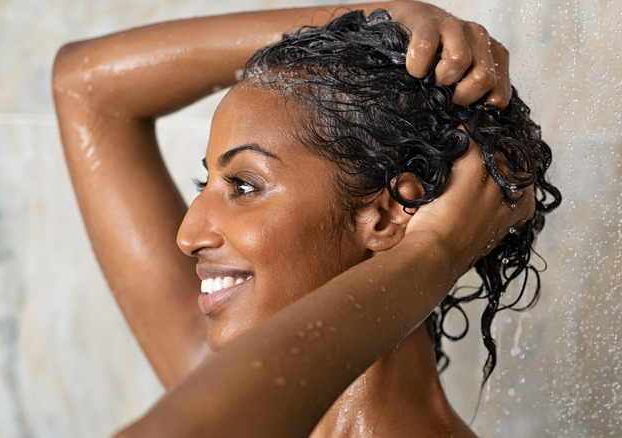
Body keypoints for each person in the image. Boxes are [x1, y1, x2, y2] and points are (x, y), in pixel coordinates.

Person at [52, 1, 559, 436]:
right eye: (205, 183)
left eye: (244, 186)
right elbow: (85, 86)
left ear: (384, 216)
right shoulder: (228, 388)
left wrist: (434, 251)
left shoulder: (221, 407)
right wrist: (376, 17)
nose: (186, 236)